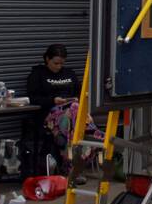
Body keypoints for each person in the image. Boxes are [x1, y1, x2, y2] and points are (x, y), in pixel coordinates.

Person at [26, 44, 101, 179]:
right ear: (47, 59)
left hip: (71, 113)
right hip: (50, 115)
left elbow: (80, 93)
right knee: (73, 116)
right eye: (55, 63)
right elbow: (33, 98)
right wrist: (53, 100)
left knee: (74, 113)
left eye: (62, 63)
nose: (58, 66)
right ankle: (93, 135)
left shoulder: (69, 74)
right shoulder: (37, 75)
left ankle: (72, 166)